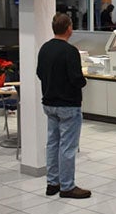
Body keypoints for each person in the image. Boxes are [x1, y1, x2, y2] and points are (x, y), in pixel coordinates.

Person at [36, 13, 90, 199]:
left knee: (52, 143)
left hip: (49, 102)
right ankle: (67, 186)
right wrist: (83, 81)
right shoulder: (70, 51)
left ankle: (53, 183)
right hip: (68, 105)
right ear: (68, 28)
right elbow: (76, 79)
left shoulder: (45, 48)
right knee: (67, 146)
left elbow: (39, 73)